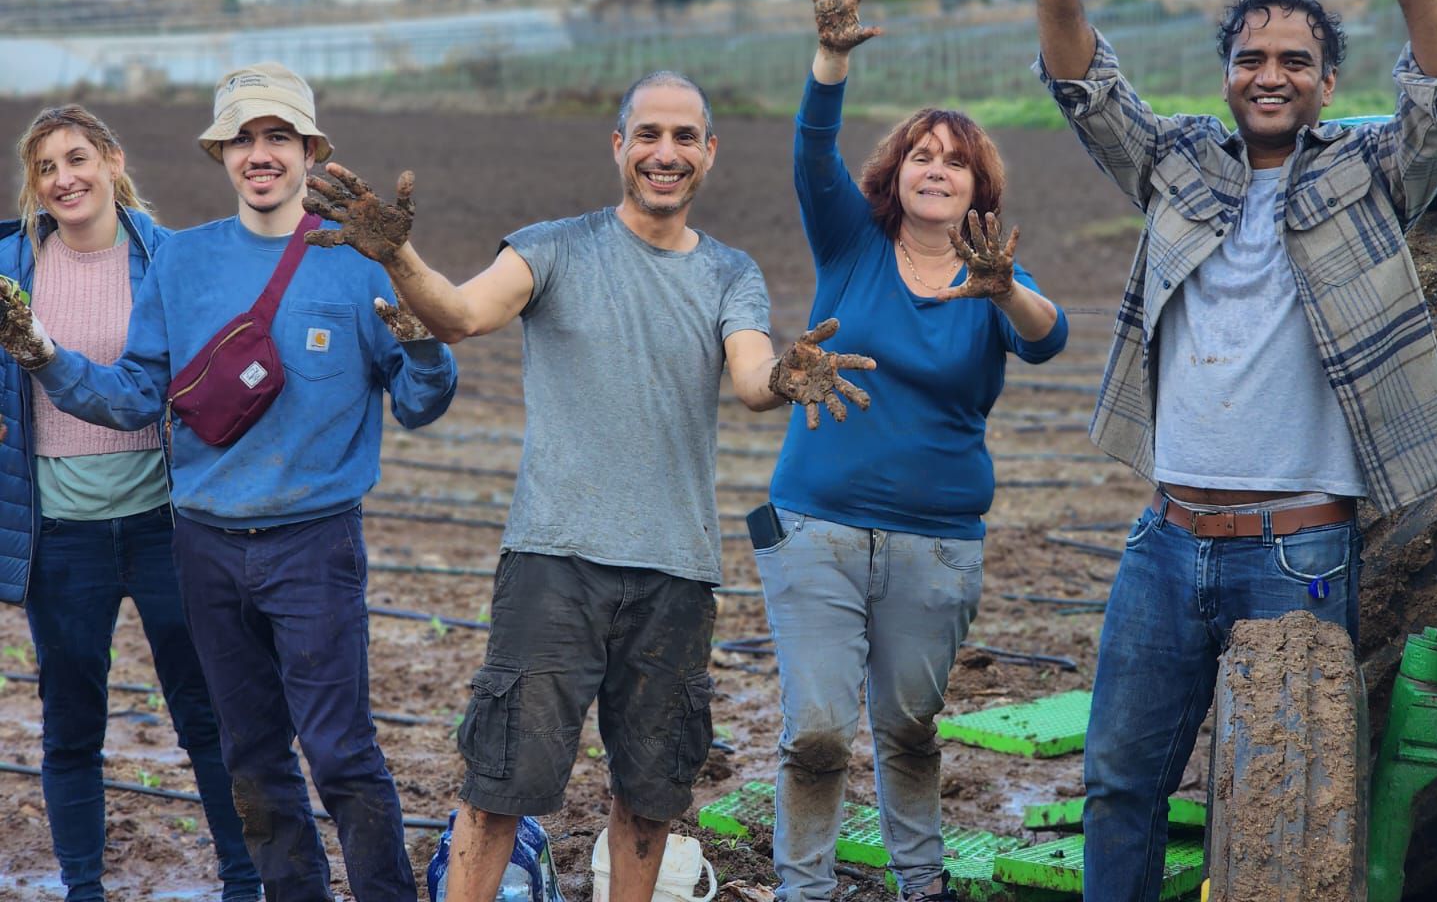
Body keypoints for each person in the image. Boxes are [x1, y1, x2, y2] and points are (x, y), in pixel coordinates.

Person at [296, 68, 875, 902]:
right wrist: (396, 254)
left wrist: (785, 376)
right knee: (498, 787)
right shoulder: (553, 247)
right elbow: (460, 314)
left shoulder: (730, 273)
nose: (665, 153)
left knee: (650, 800)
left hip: (675, 574)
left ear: (709, 153)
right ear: (618, 146)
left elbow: (752, 375)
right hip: (554, 564)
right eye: (649, 135)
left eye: (684, 137)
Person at [1023, 0, 1437, 899]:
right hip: (1166, 539)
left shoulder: (1369, 171)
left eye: (1294, 61)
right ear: (1227, 72)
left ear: (1327, 82)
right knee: (1118, 785)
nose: (1270, 74)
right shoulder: (1176, 161)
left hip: (1297, 552)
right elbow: (1085, 89)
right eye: (1251, 57)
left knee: (1286, 799)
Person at [0, 63, 459, 901]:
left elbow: (422, 404)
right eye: (242, 139)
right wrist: (45, 358)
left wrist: (424, 342)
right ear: (221, 154)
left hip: (314, 544)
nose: (260, 154)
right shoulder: (184, 262)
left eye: (278, 136)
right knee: (250, 756)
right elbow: (136, 394)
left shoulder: (359, 261)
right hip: (205, 547)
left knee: (342, 754)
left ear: (311, 150)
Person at [758, 0, 1068, 902]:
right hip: (815, 528)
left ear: (979, 189)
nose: (938, 169)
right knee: (818, 731)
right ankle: (803, 889)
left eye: (957, 160)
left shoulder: (993, 278)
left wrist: (1003, 288)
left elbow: (1047, 339)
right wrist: (830, 59)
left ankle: (921, 884)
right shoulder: (851, 244)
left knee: (907, 729)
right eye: (923, 155)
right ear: (898, 174)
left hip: (936, 545)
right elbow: (811, 152)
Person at [0, 106, 260, 902]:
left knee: (206, 714)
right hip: (59, 535)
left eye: (77, 158)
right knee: (71, 725)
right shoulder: (10, 264)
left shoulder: (170, 258)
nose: (64, 179)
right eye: (46, 168)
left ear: (112, 161)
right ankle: (83, 888)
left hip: (165, 528)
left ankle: (244, 881)